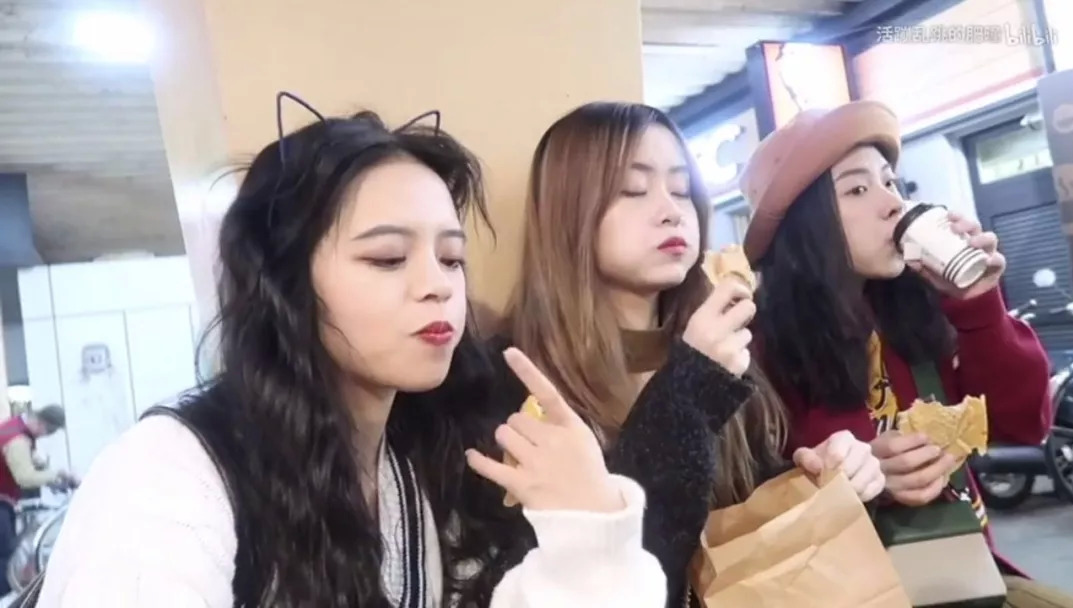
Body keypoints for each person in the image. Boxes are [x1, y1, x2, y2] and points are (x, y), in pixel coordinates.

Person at [38, 105, 665, 607]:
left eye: (451, 258)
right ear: (285, 283)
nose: (438, 285)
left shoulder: (429, 459)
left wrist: (588, 528)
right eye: (388, 258)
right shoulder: (171, 472)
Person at [489, 101, 886, 608]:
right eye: (633, 190)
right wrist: (693, 385)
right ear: (567, 212)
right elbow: (627, 568)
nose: (671, 210)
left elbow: (741, 526)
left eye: (681, 190)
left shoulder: (724, 343)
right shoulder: (514, 376)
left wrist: (820, 478)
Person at [744, 100, 1073, 606]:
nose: (893, 204)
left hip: (959, 572)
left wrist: (979, 303)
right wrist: (859, 479)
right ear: (803, 225)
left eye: (890, 182)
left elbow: (1024, 423)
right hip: (839, 590)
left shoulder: (921, 307)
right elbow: (744, 507)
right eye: (857, 189)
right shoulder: (755, 344)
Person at [0, 404, 71, 595]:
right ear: (42, 424)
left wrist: (51, 474)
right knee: (4, 560)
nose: (44, 436)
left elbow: (27, 460)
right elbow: (24, 477)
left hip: (4, 501)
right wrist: (55, 475)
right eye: (48, 432)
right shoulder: (18, 439)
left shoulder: (14, 426)